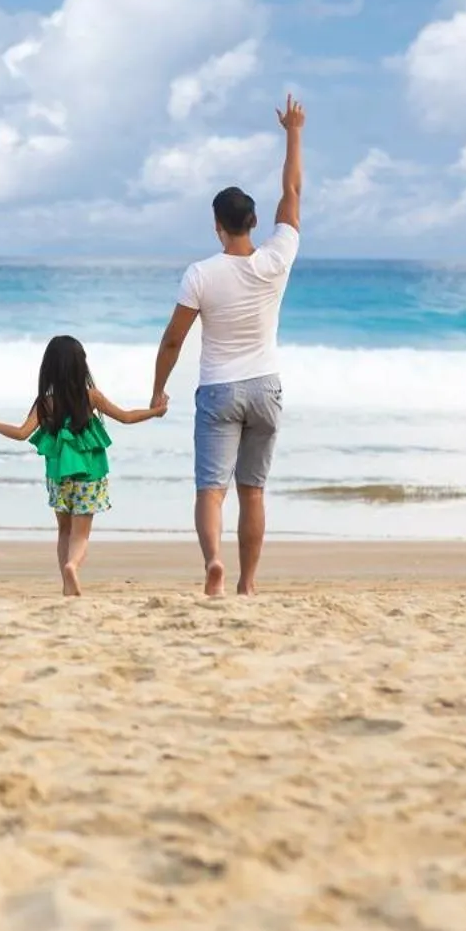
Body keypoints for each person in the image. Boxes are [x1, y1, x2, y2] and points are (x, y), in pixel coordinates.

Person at [151, 95, 305, 597]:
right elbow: (293, 191)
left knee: (211, 491)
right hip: (265, 386)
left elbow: (174, 338)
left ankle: (214, 563)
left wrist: (158, 391)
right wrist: (293, 132)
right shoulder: (277, 259)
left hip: (218, 389)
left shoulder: (201, 273)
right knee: (253, 491)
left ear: (217, 225)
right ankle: (248, 583)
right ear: (255, 222)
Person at [0, 335, 165, 596]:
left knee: (64, 530)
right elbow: (126, 417)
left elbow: (21, 433)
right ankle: (72, 566)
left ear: (49, 369)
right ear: (82, 366)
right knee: (81, 535)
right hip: (89, 476)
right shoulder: (92, 397)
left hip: (59, 478)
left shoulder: (46, 402)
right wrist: (155, 412)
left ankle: (67, 582)